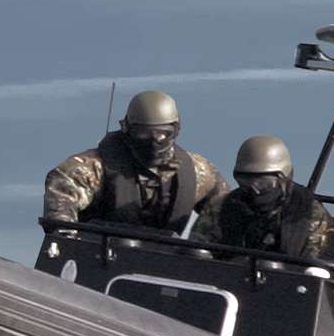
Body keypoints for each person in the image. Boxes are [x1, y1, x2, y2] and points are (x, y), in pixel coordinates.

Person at [42, 88, 230, 232]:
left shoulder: (198, 172)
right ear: (127, 129)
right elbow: (61, 205)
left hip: (171, 269)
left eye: (163, 134)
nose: (154, 141)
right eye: (143, 133)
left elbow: (229, 211)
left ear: (176, 131)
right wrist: (66, 232)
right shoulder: (90, 168)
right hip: (97, 262)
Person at [205, 135, 334, 260]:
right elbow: (197, 257)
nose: (255, 190)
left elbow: (318, 271)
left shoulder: (310, 215)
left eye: (264, 183)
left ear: (284, 178)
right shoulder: (221, 208)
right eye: (245, 180)